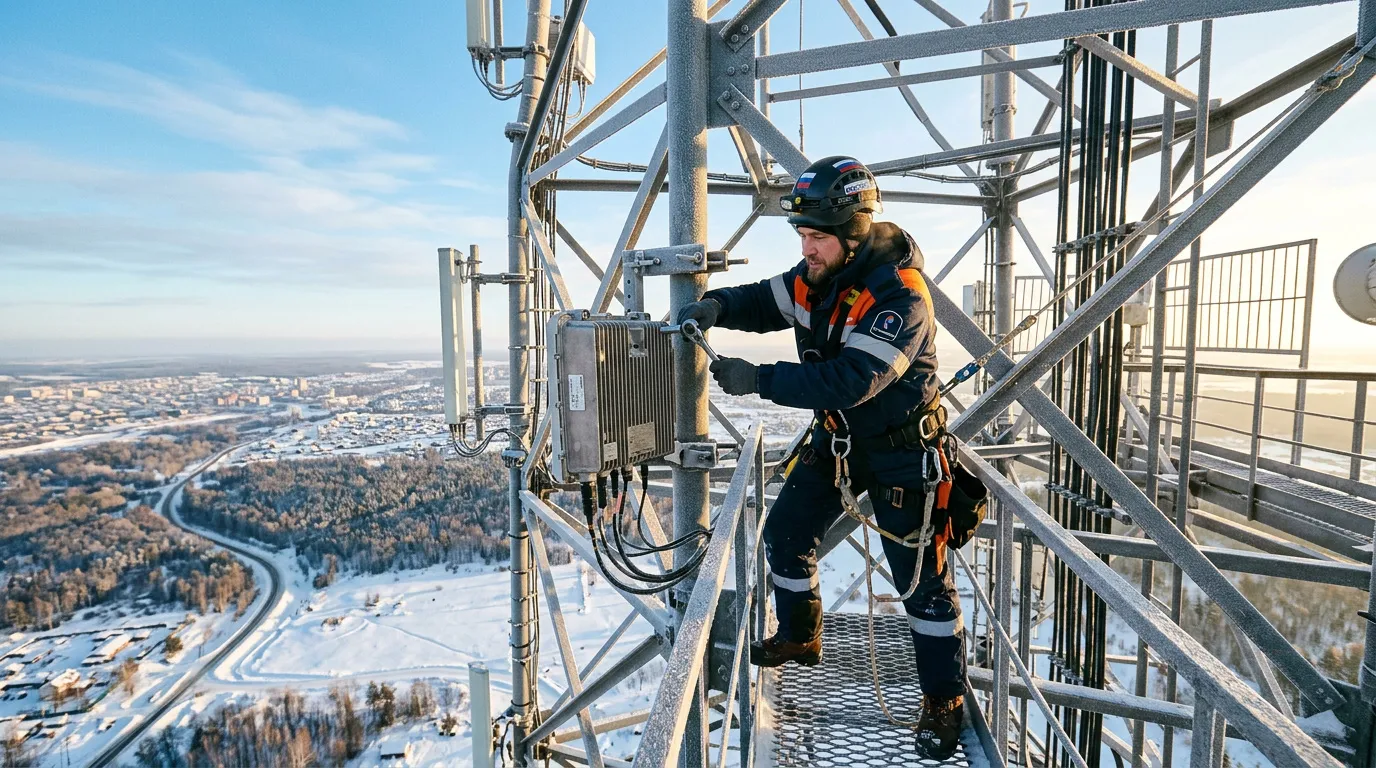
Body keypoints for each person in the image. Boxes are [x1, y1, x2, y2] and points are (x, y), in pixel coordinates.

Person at [677, 156, 966, 760]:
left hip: (901, 452)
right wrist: (720, 307)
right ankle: (802, 634)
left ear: (854, 232)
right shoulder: (819, 275)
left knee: (921, 586)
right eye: (802, 236)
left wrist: (759, 378)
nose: (806, 248)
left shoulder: (900, 294)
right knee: (784, 532)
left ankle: (944, 697)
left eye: (817, 237)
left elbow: (852, 379)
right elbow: (765, 300)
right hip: (841, 442)